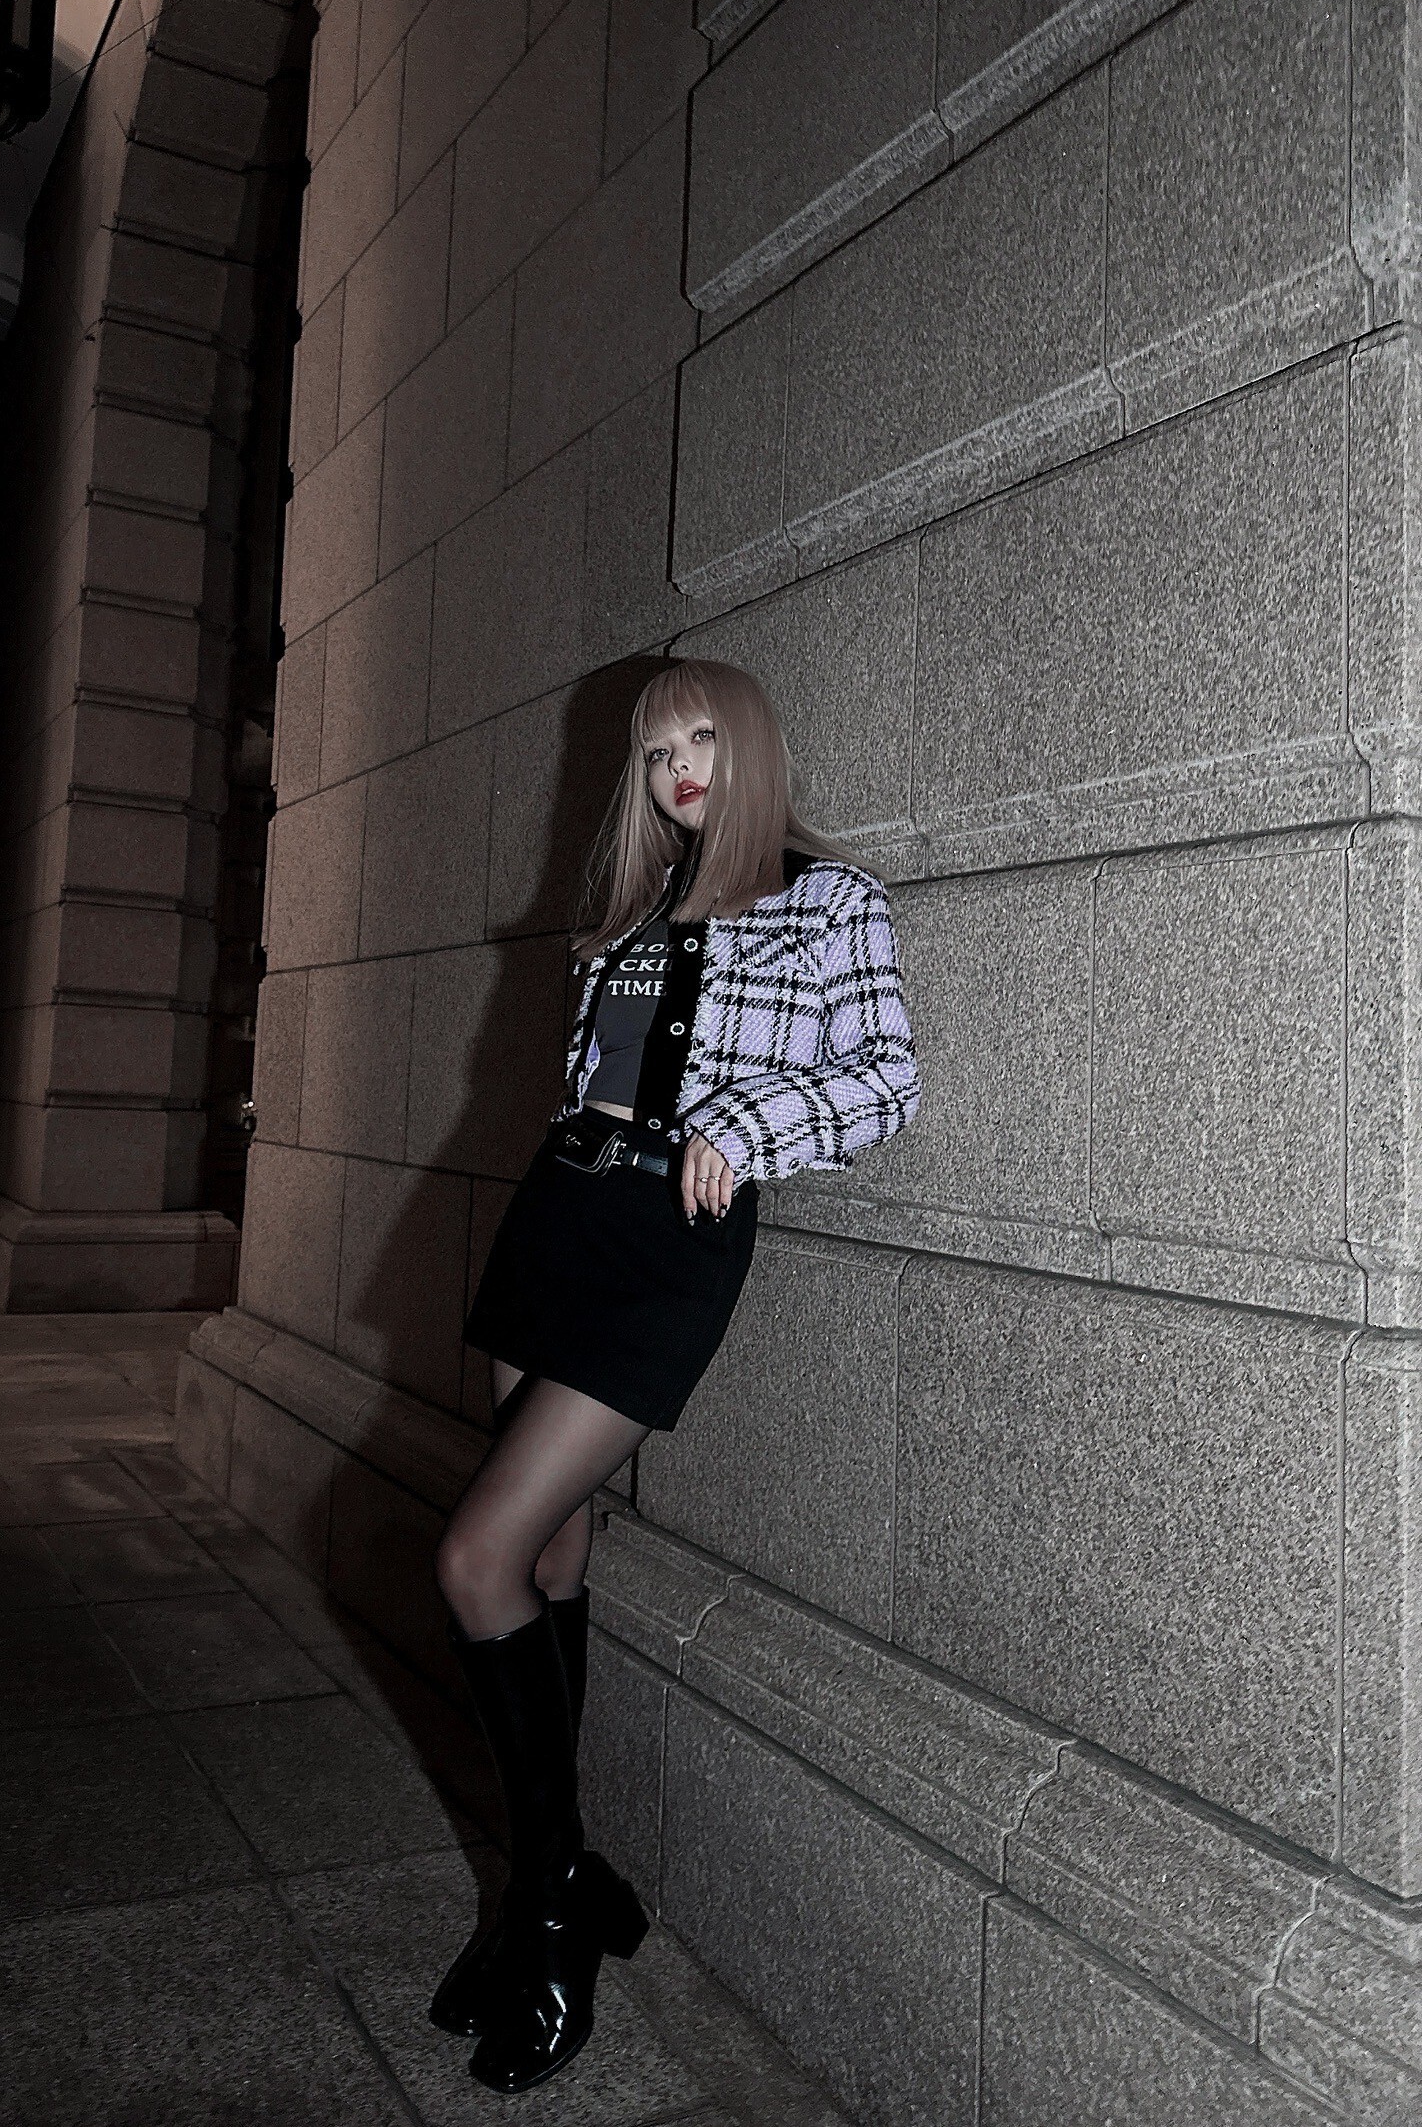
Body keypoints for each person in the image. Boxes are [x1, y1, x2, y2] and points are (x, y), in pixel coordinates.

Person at [428, 655, 920, 2093]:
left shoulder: (827, 899)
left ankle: (544, 1909)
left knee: (475, 1557)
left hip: (665, 1244)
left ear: (749, 744)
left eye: (701, 738)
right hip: (559, 1220)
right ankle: (564, 1878)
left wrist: (750, 1127)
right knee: (548, 1554)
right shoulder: (628, 914)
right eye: (656, 752)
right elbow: (584, 1079)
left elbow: (885, 1079)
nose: (679, 768)